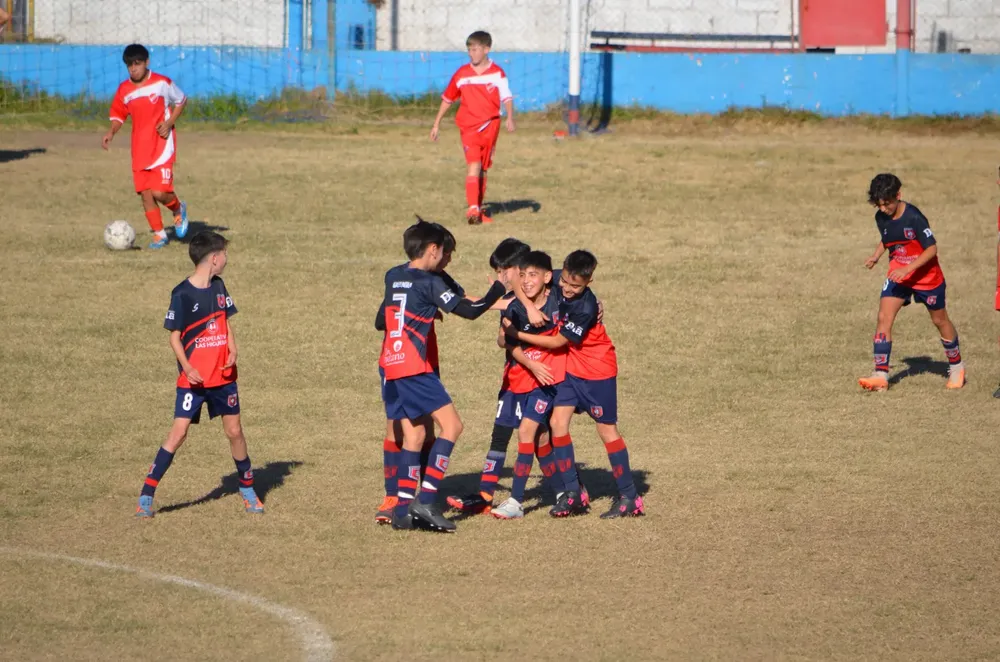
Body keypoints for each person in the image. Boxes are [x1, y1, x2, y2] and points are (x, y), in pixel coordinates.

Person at [378, 220, 507, 532]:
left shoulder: (394, 275)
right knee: (452, 426)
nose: (448, 259)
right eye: (446, 253)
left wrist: (417, 311)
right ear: (433, 249)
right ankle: (426, 500)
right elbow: (471, 311)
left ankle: (402, 510)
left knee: (414, 435)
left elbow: (380, 321)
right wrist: (500, 287)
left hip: (390, 365)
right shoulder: (429, 283)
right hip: (415, 368)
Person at [505, 250, 645, 519]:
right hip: (569, 369)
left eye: (576, 286)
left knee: (606, 430)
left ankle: (630, 497)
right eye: (565, 282)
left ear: (589, 282)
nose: (567, 289)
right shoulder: (557, 278)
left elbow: (557, 342)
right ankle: (573, 493)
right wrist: (530, 307)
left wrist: (517, 334)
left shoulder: (586, 307)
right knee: (557, 423)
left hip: (597, 371)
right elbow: (514, 278)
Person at [135, 231, 262, 518]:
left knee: (235, 432)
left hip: (223, 378)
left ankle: (247, 488)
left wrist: (232, 347)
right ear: (214, 258)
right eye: (225, 254)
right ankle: (146, 495)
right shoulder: (182, 294)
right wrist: (188, 367)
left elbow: (224, 321)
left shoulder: (218, 286)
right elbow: (174, 338)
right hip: (193, 382)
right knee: (178, 434)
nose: (227, 259)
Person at [858, 173, 965, 391]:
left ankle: (956, 367)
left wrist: (908, 268)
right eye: (879, 204)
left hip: (927, 277)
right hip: (898, 276)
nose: (883, 209)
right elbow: (888, 238)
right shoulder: (881, 217)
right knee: (883, 317)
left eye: (887, 203)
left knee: (940, 320)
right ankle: (880, 375)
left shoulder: (914, 217)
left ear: (898, 195)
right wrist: (876, 256)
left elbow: (931, 248)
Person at [491, 251, 566, 519]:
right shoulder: (514, 308)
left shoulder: (559, 297)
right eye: (522, 275)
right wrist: (532, 365)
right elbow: (509, 344)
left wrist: (597, 303)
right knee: (540, 438)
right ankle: (564, 491)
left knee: (526, 431)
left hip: (549, 380)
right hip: (526, 376)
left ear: (547, 278)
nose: (526, 281)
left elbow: (579, 284)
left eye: (532, 275)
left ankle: (516, 501)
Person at [103, 44, 189, 249]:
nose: (133, 68)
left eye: (137, 63)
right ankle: (159, 235)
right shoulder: (124, 89)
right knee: (146, 194)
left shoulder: (162, 83)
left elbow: (181, 100)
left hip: (161, 144)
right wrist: (111, 132)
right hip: (140, 148)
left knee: (160, 192)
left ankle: (178, 209)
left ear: (146, 62)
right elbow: (118, 115)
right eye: (129, 65)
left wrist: (169, 123)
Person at [430, 31, 515, 226]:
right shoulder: (461, 74)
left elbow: (507, 97)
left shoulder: (497, 73)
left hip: (491, 125)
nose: (471, 53)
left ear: (486, 49)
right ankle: (473, 209)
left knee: (483, 169)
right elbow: (448, 99)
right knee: (474, 165)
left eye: (475, 49)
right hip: (468, 126)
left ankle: (478, 209)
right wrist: (436, 123)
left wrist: (510, 117)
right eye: (469, 50)